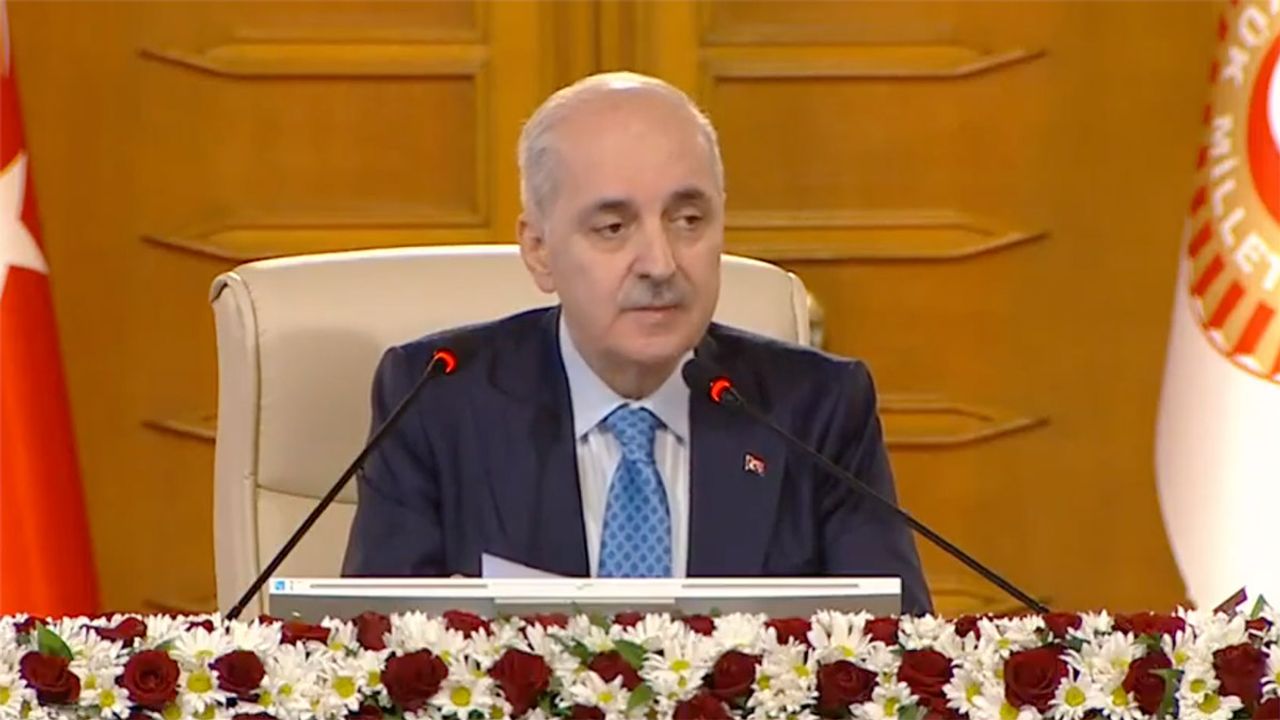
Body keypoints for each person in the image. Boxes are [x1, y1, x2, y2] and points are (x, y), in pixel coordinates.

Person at [341, 71, 932, 615]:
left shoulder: (817, 411)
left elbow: (898, 655)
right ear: (539, 250)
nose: (660, 263)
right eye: (613, 228)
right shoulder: (435, 401)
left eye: (689, 220)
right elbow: (377, 654)